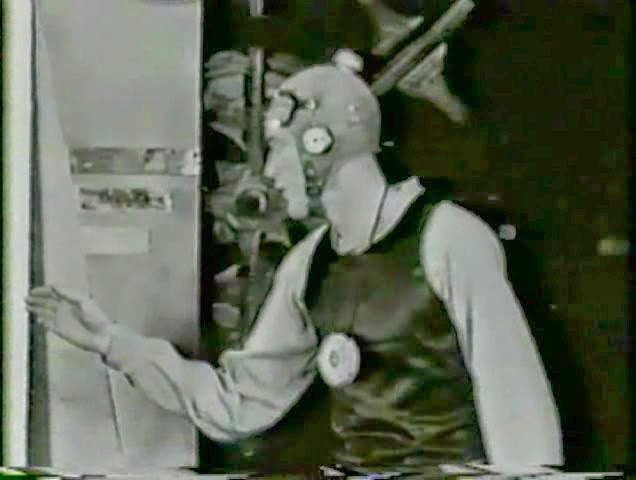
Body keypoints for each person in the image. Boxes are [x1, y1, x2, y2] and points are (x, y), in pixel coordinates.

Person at [26, 56, 563, 474]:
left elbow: (519, 414)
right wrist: (111, 342)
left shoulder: (448, 237)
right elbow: (239, 404)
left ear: (320, 144)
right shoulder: (310, 265)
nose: (271, 173)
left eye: (279, 149)